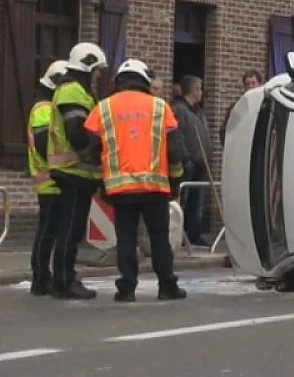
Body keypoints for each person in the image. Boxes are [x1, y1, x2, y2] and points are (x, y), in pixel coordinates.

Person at [84, 59, 187, 302]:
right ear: (144, 80)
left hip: (120, 187)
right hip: (155, 186)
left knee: (126, 239)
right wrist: (175, 183)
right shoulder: (161, 107)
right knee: (159, 237)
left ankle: (127, 288)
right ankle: (167, 285)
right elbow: (174, 150)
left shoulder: (104, 107)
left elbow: (91, 151)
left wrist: (100, 184)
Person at [48, 42, 108, 300]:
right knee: (70, 230)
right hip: (73, 170)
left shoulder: (77, 90)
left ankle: (63, 278)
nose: (98, 76)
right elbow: (77, 133)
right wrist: (95, 149)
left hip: (76, 172)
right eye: (96, 70)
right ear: (87, 65)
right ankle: (65, 280)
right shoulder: (73, 91)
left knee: (70, 230)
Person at [28, 59, 69, 296]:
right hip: (51, 181)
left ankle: (42, 276)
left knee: (49, 230)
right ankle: (41, 277)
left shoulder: (46, 107)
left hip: (52, 180)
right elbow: (45, 145)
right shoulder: (45, 109)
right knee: (48, 232)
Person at [171, 75, 213, 247]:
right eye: (200, 89)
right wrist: (186, 157)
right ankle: (179, 234)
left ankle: (194, 232)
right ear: (194, 90)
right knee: (185, 199)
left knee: (197, 200)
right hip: (189, 163)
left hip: (200, 163)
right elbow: (178, 135)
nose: (202, 92)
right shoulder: (180, 109)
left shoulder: (197, 110)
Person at [219, 70, 262, 145]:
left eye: (253, 83)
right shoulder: (237, 107)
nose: (250, 86)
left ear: (260, 84)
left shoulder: (266, 106)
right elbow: (225, 131)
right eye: (247, 84)